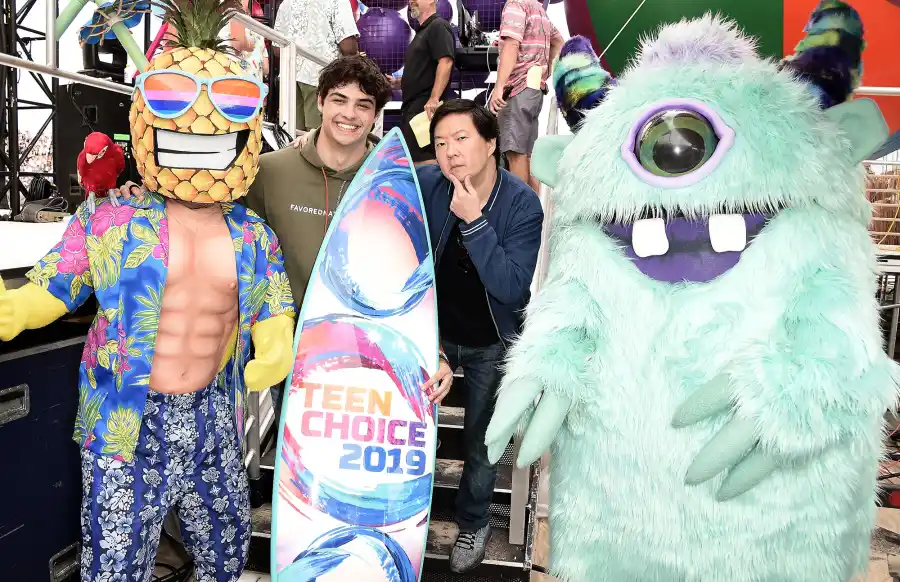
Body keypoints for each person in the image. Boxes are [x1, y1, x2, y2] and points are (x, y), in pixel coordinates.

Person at [117, 55, 456, 421]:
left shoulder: (393, 185)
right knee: (292, 467)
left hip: (370, 355)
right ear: (321, 102)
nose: (350, 114)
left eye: (364, 105)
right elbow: (205, 213)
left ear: (375, 115)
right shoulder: (269, 171)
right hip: (292, 354)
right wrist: (147, 200)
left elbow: (412, 273)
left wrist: (433, 351)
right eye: (339, 100)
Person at [419, 99, 544, 573]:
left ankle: (474, 523)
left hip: (492, 338)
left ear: (492, 143)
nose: (450, 152)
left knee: (481, 441)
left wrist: (474, 220)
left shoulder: (521, 203)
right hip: (433, 335)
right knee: (415, 431)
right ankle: (409, 509)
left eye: (462, 139)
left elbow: (512, 288)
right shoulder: (429, 183)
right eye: (441, 143)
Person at [489, 0, 563, 191]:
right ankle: (533, 213)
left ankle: (521, 215)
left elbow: (511, 45)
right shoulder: (539, 10)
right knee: (529, 157)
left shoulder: (516, 4)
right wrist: (544, 71)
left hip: (517, 88)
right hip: (534, 90)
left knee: (516, 155)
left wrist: (499, 86)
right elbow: (559, 43)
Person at [274, 0, 360, 131]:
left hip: (289, 76)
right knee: (318, 136)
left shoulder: (287, 2)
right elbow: (347, 46)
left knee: (291, 135)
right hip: (319, 76)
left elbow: (277, 49)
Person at [398, 0, 455, 165]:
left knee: (423, 161)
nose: (411, 1)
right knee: (415, 159)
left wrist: (434, 98)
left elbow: (446, 62)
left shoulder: (438, 26)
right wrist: (397, 82)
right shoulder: (422, 32)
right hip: (414, 108)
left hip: (424, 109)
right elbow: (423, 72)